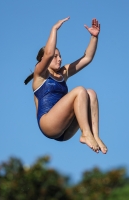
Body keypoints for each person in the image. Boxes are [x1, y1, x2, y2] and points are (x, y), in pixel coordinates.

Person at [24, 17, 107, 154]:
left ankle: (94, 135)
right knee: (80, 90)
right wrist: (54, 29)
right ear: (43, 60)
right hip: (48, 124)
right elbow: (49, 53)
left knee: (90, 93)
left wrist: (94, 37)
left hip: (65, 132)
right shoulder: (40, 75)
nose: (60, 59)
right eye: (56, 57)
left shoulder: (63, 73)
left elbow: (87, 58)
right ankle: (85, 133)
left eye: (60, 56)